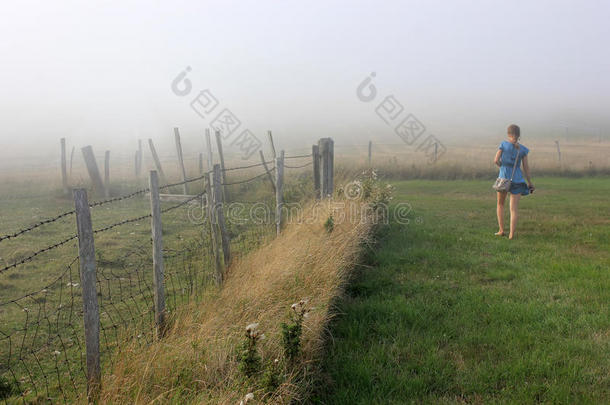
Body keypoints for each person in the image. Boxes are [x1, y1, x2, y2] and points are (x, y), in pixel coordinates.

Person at [493, 124, 535, 239]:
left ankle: (501, 230)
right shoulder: (523, 150)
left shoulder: (503, 145)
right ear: (519, 135)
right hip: (517, 179)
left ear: (508, 134)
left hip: (503, 178)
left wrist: (502, 167)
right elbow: (526, 168)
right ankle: (511, 234)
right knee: (514, 209)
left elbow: (495, 160)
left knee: (500, 204)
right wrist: (530, 183)